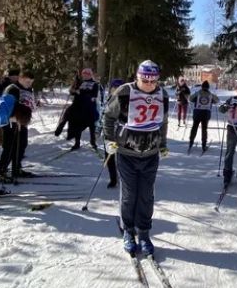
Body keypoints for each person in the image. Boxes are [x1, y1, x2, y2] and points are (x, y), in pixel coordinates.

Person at [103, 60, 169, 255]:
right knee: (130, 195)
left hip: (150, 153)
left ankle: (144, 232)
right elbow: (108, 116)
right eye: (145, 80)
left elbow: (163, 122)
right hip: (127, 153)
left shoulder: (162, 94)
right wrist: (109, 139)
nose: (149, 84)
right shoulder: (124, 92)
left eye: (153, 81)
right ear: (137, 77)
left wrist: (163, 143)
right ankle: (129, 231)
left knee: (147, 196)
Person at [0, 70, 36, 182]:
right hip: (11, 121)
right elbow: (7, 104)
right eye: (27, 81)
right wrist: (14, 118)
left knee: (22, 144)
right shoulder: (13, 88)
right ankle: (1, 171)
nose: (29, 84)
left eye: (31, 82)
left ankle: (16, 168)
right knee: (10, 146)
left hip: (21, 120)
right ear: (20, 79)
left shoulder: (28, 89)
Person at [66, 68, 99, 150]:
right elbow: (73, 92)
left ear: (90, 75)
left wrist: (82, 94)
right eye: (83, 74)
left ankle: (93, 142)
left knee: (92, 126)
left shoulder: (95, 84)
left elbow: (94, 94)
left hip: (90, 109)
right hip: (80, 109)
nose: (85, 76)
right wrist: (73, 91)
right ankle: (77, 143)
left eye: (86, 74)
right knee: (78, 126)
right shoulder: (81, 83)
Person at [104, 78, 124, 188]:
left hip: (122, 134)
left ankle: (124, 177)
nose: (116, 90)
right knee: (109, 157)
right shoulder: (109, 99)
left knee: (122, 157)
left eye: (118, 88)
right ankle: (113, 179)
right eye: (114, 87)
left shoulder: (124, 101)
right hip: (110, 134)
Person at [188, 80, 219, 153]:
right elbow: (217, 100)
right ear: (208, 87)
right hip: (206, 114)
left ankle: (191, 142)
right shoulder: (210, 94)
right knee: (204, 129)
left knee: (194, 127)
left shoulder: (198, 93)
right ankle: (204, 144)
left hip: (197, 113)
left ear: (202, 87)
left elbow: (190, 99)